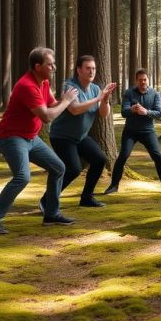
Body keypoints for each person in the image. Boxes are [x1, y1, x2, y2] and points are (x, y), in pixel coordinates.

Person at [0, 47, 78, 234]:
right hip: (12, 137)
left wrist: (68, 100)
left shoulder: (44, 82)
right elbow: (47, 117)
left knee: (58, 167)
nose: (54, 67)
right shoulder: (27, 86)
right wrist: (66, 101)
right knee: (22, 177)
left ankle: (51, 214)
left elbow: (51, 105)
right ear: (37, 66)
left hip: (31, 138)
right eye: (50, 65)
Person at [46, 55, 117, 209]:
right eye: (88, 68)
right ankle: (47, 200)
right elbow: (75, 109)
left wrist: (104, 100)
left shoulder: (95, 89)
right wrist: (97, 98)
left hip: (81, 137)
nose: (91, 71)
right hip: (62, 136)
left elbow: (104, 114)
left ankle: (86, 197)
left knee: (99, 160)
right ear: (79, 70)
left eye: (93, 68)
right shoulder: (70, 86)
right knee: (73, 169)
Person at [107, 69, 161, 195]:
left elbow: (159, 113)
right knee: (123, 156)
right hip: (130, 132)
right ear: (136, 81)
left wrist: (146, 112)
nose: (143, 82)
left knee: (158, 156)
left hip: (148, 131)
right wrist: (132, 109)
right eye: (140, 80)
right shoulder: (129, 93)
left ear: (148, 80)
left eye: (145, 79)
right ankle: (114, 185)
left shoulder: (155, 94)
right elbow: (123, 112)